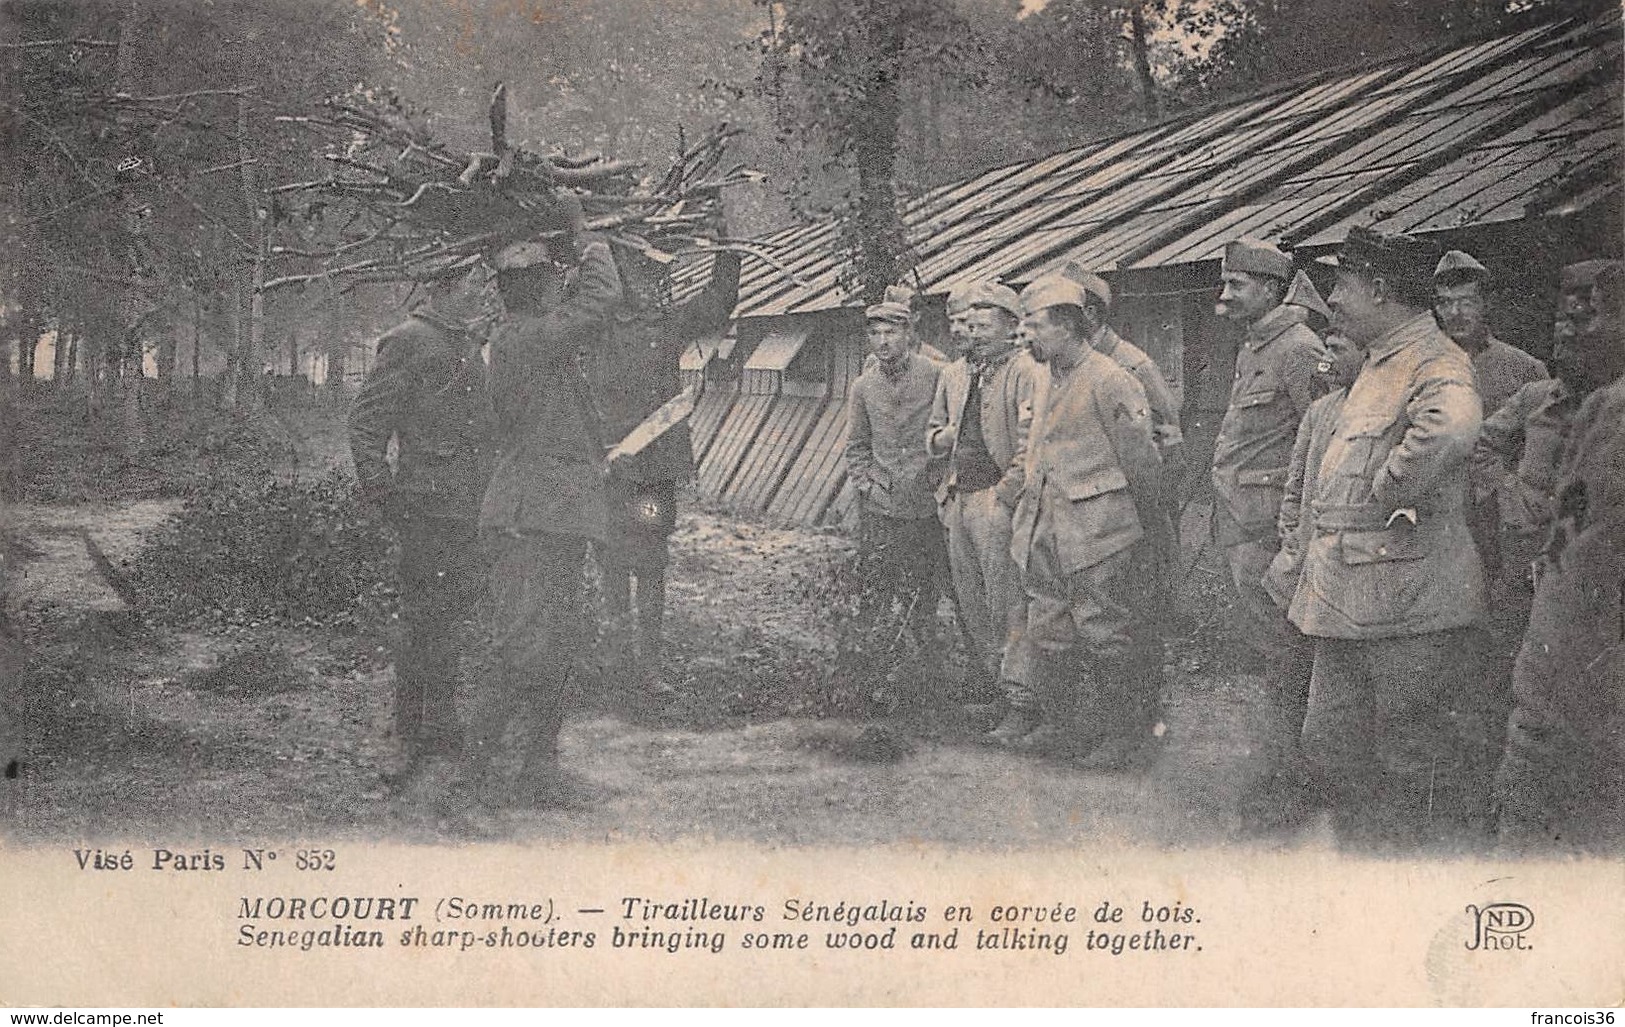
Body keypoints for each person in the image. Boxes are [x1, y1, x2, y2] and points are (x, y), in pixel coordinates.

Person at [1289, 226, 1487, 851]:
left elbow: (1453, 428)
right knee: (1331, 748)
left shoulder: (1432, 358)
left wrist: (1387, 489)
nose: (1334, 302)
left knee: (1405, 757)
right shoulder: (1382, 361)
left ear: (1378, 288)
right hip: (1351, 591)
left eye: (1342, 286)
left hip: (1407, 593)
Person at [472, 195, 623, 808]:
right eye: (546, 280)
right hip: (534, 515)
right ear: (530, 290)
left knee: (555, 641)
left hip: (547, 512)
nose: (555, 289)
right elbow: (600, 298)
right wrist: (587, 235)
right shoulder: (526, 339)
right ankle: (481, 771)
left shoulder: (523, 336)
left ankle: (533, 770)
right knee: (527, 643)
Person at [1468, 258, 1624, 811]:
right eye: (1561, 320)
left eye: (1584, 321)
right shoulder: (1539, 398)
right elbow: (1480, 446)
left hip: (1594, 598)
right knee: (1516, 689)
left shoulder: (1614, 410)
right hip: (1525, 573)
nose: (1567, 333)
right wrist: (1511, 498)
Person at [997, 275, 1167, 769]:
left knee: (1106, 631)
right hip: (1045, 524)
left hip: (1098, 531)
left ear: (1070, 326)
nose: (1027, 337)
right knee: (1048, 626)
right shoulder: (1045, 376)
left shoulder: (1111, 378)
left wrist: (1145, 526)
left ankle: (1123, 735)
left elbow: (1142, 462)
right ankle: (1063, 725)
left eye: (1036, 327)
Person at [348, 269, 495, 793]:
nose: (479, 290)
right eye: (469, 284)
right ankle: (408, 731)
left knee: (451, 616)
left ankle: (444, 722)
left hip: (468, 506)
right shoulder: (408, 341)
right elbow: (366, 423)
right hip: (426, 507)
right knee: (420, 619)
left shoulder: (468, 342)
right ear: (441, 288)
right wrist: (384, 492)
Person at [1208, 238, 1328, 819]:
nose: (1225, 294)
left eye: (1238, 285)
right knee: (1270, 650)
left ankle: (1299, 777)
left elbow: (1320, 442)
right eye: (1226, 283)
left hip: (1271, 531)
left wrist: (1293, 530)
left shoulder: (1299, 350)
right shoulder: (1257, 343)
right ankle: (1287, 766)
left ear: (1273, 290)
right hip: (1242, 523)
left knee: (1287, 654)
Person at [588, 241, 740, 695]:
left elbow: (719, 299)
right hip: (610, 471)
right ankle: (617, 657)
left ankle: (648, 665)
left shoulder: (667, 324)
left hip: (651, 478)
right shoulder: (595, 327)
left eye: (654, 276)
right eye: (641, 274)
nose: (652, 285)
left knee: (650, 558)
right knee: (612, 559)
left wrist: (725, 245)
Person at [926, 281, 1045, 711]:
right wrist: (944, 444)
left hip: (998, 501)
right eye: (969, 320)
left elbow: (1030, 447)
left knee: (1008, 602)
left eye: (984, 319)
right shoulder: (957, 374)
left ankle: (1022, 701)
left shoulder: (1025, 371)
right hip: (960, 497)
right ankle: (997, 690)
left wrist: (1006, 495)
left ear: (1011, 325)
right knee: (972, 599)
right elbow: (933, 433)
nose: (972, 327)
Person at [844, 294, 946, 692]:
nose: (883, 341)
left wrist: (938, 481)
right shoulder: (862, 386)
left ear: (909, 333)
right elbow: (857, 446)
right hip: (882, 506)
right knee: (877, 587)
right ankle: (872, 668)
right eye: (875, 333)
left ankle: (925, 672)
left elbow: (946, 433)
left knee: (925, 589)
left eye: (891, 332)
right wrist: (867, 483)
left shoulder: (935, 375)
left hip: (925, 502)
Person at [1432, 250, 1548, 417]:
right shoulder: (1420, 366)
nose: (1455, 312)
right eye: (1445, 303)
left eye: (1467, 302)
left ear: (1487, 303)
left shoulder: (1525, 368)